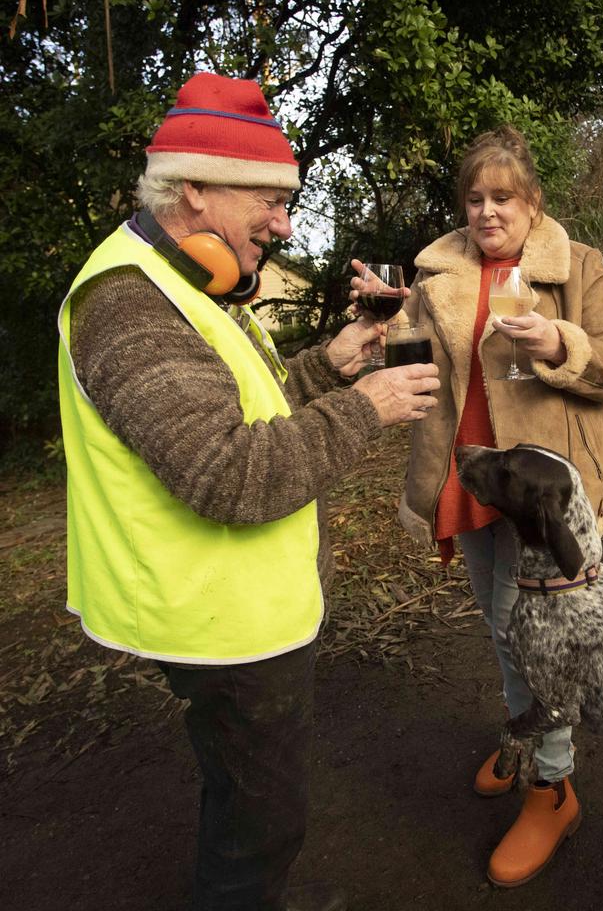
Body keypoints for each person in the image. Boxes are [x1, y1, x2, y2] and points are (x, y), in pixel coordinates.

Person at [57, 71, 439, 911]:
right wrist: (362, 408)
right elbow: (227, 473)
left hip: (240, 609)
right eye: (266, 196)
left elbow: (241, 408)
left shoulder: (186, 280)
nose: (285, 220)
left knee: (244, 794)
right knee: (261, 820)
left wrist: (323, 367)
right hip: (218, 623)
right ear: (192, 188)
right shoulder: (128, 306)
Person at [352, 125, 603, 888]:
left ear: (532, 202)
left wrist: (558, 343)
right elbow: (408, 360)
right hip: (473, 479)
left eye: (503, 198)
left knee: (535, 641)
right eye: (475, 198)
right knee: (502, 627)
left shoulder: (578, 267)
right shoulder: (436, 273)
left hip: (542, 499)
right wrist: (386, 316)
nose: (487, 212)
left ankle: (552, 787)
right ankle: (525, 742)